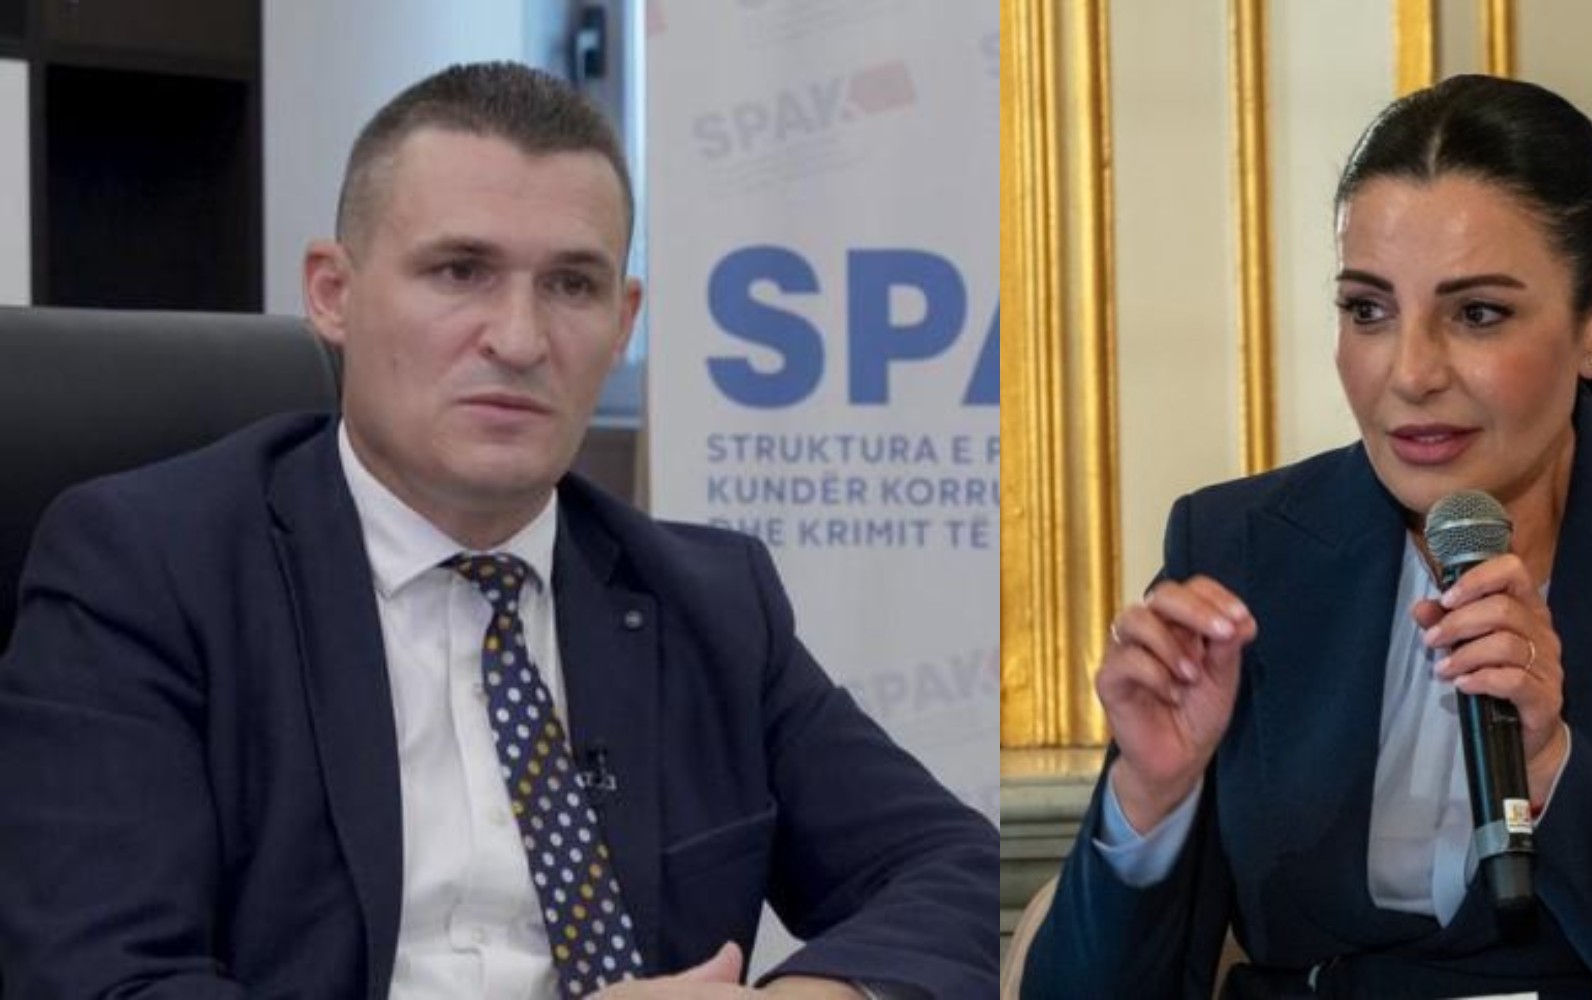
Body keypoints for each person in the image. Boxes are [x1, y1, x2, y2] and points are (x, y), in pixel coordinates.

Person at [0, 62, 995, 999]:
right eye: (459, 270)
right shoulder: (146, 571)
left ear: (623, 320)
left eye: (572, 285)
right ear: (332, 293)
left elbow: (953, 869)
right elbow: (110, 980)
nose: (519, 339)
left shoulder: (711, 602)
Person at [1021, 75, 1592, 997]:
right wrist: (1150, 799)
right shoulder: (1239, 549)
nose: (1411, 373)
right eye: (1367, 310)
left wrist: (1554, 767)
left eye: (1478, 314)